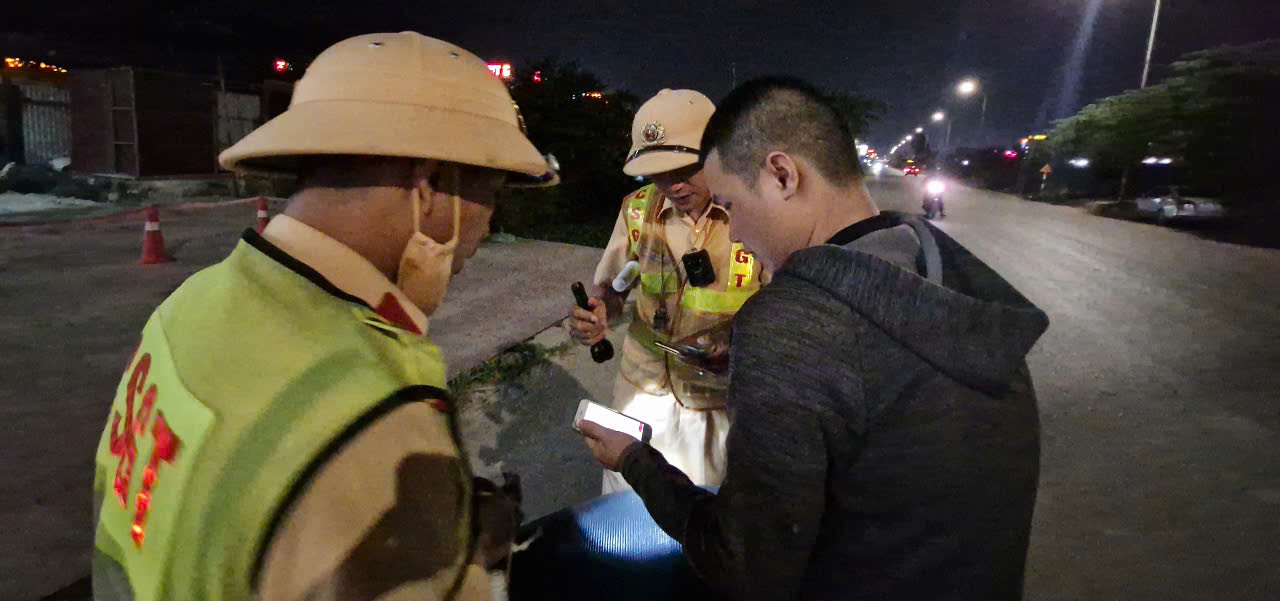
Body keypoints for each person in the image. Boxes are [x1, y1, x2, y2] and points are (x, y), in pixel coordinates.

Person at [90, 31, 557, 601]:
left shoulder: (191, 302)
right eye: (491, 192)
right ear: (432, 183)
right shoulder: (373, 414)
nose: (485, 225)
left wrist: (442, 537)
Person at [580, 76, 1048, 600]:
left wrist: (634, 461)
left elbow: (743, 564)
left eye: (730, 205)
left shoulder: (793, 324)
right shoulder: (952, 281)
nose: (733, 233)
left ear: (782, 175)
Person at [568, 88, 763, 493]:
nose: (672, 185)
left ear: (718, 153)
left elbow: (786, 306)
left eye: (684, 169)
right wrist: (599, 311)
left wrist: (738, 342)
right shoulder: (637, 209)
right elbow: (613, 288)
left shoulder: (754, 212)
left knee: (702, 508)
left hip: (717, 402)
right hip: (641, 389)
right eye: (657, 172)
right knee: (627, 505)